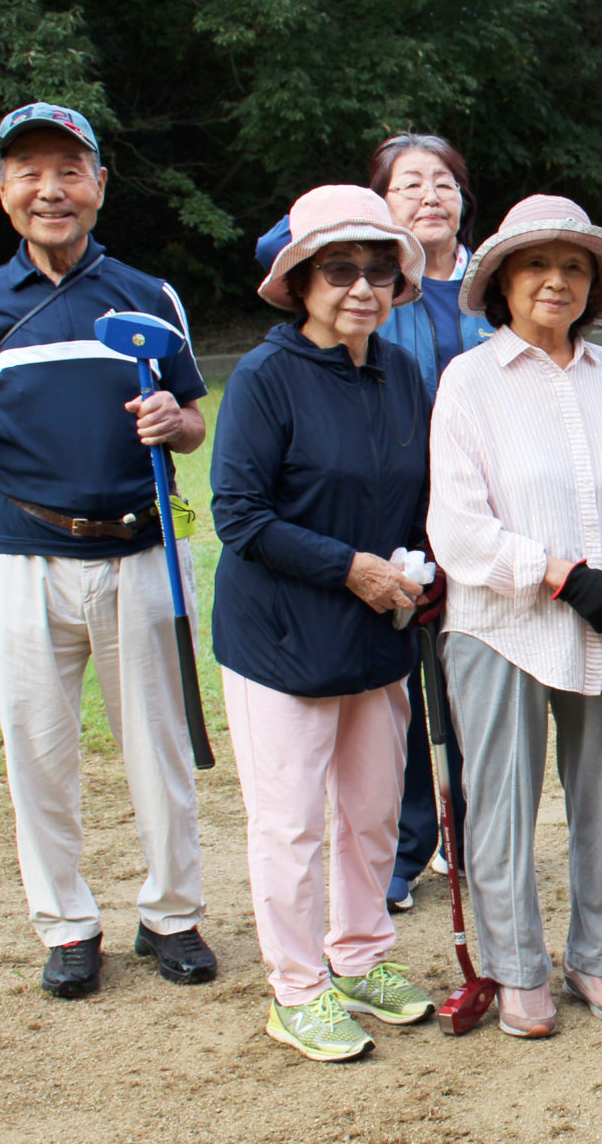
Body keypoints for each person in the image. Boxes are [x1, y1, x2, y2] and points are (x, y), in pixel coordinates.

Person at [0, 103, 216, 999]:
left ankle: (172, 915)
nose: (50, 190)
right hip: (23, 555)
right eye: (29, 172)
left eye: (68, 170)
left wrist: (172, 421)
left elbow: (193, 420)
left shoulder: (149, 294)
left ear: (98, 185)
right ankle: (67, 926)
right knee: (36, 750)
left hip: (141, 548)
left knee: (160, 746)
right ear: (1, 188)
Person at [428, 195, 602, 1040]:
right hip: (501, 624)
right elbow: (458, 526)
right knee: (502, 802)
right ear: (503, 280)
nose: (556, 281)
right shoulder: (470, 382)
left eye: (573, 267)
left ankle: (597, 959)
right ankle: (517, 969)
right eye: (537, 264)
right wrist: (560, 574)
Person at [212, 185, 440, 1062]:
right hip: (282, 637)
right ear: (301, 280)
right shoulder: (265, 377)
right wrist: (353, 568)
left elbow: (420, 494)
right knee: (291, 822)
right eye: (340, 270)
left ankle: (361, 955)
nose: (362, 288)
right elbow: (241, 516)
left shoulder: (402, 373)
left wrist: (419, 566)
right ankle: (297, 987)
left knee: (374, 812)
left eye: (379, 271)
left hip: (379, 632)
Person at [367, 131, 495, 914]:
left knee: (478, 680)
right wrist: (375, 239)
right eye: (407, 184)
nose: (429, 197)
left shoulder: (498, 278)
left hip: (487, 513)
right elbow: (277, 244)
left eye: (443, 181)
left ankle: (477, 835)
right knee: (403, 691)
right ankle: (411, 842)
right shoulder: (373, 286)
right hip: (399, 514)